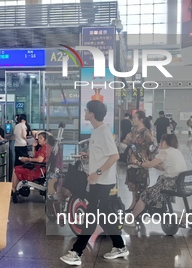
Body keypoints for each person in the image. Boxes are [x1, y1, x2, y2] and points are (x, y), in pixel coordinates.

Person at [60, 100, 128, 266]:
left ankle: (76, 252)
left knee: (91, 216)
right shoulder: (96, 131)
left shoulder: (104, 131)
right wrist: (87, 155)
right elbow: (101, 154)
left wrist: (97, 173)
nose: (85, 112)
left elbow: (114, 156)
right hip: (98, 182)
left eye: (86, 110)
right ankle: (119, 246)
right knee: (103, 216)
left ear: (92, 113)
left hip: (103, 182)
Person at [128, 134, 186, 222]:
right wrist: (151, 164)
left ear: (165, 142)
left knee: (144, 195)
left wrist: (137, 163)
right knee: (154, 189)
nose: (160, 144)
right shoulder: (176, 151)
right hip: (179, 184)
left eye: (161, 142)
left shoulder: (164, 152)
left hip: (168, 184)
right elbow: (162, 167)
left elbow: (150, 165)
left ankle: (130, 219)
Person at [121, 110, 155, 212]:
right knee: (133, 185)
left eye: (135, 118)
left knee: (141, 185)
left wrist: (149, 161)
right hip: (132, 161)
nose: (133, 120)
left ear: (141, 119)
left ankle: (140, 207)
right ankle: (133, 204)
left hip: (141, 162)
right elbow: (128, 142)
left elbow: (152, 147)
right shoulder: (133, 131)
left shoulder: (146, 132)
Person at [10, 132, 52, 203]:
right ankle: (13, 189)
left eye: (41, 138)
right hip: (38, 168)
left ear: (46, 140)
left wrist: (28, 159)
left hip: (38, 171)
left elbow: (39, 160)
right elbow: (35, 156)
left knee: (16, 169)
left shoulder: (45, 148)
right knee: (17, 168)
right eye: (38, 138)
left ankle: (14, 189)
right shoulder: (44, 147)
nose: (39, 140)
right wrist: (33, 146)